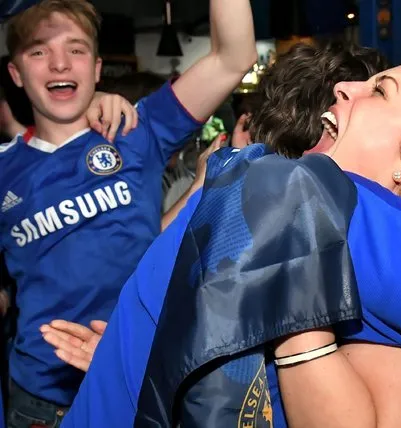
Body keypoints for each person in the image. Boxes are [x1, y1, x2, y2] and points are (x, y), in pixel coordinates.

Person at [46, 51, 401, 428]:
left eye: (380, 91)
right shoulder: (284, 192)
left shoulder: (306, 198)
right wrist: (138, 357)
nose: (345, 90)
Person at [0, 0, 256, 426]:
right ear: (16, 72)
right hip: (41, 399)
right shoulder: (5, 169)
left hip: (136, 376)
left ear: (97, 68)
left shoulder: (137, 129)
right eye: (39, 51)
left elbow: (233, 56)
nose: (60, 63)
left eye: (76, 49)